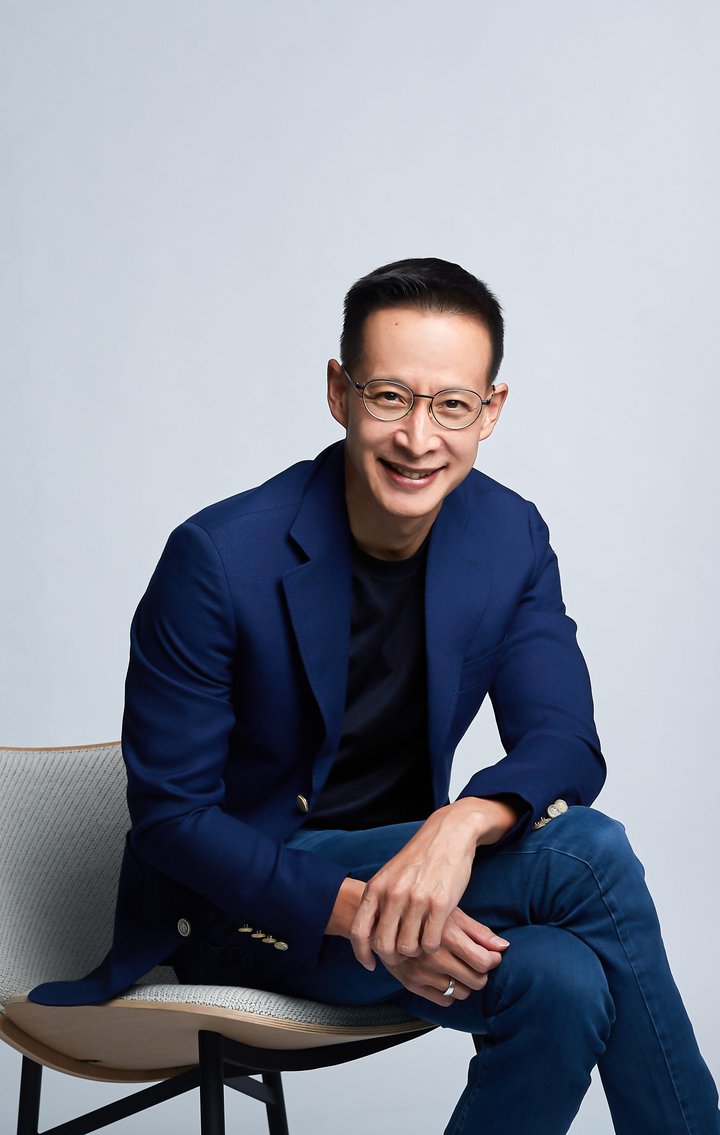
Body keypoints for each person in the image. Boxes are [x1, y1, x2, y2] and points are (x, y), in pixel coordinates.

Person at [31, 259, 719, 1133]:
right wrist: (369, 910)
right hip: (248, 913)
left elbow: (565, 740)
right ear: (339, 392)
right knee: (586, 855)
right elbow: (173, 821)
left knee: (564, 978)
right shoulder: (218, 559)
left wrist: (459, 823)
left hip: (418, 883)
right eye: (390, 396)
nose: (418, 436)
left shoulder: (509, 535)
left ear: (492, 410)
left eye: (452, 404)